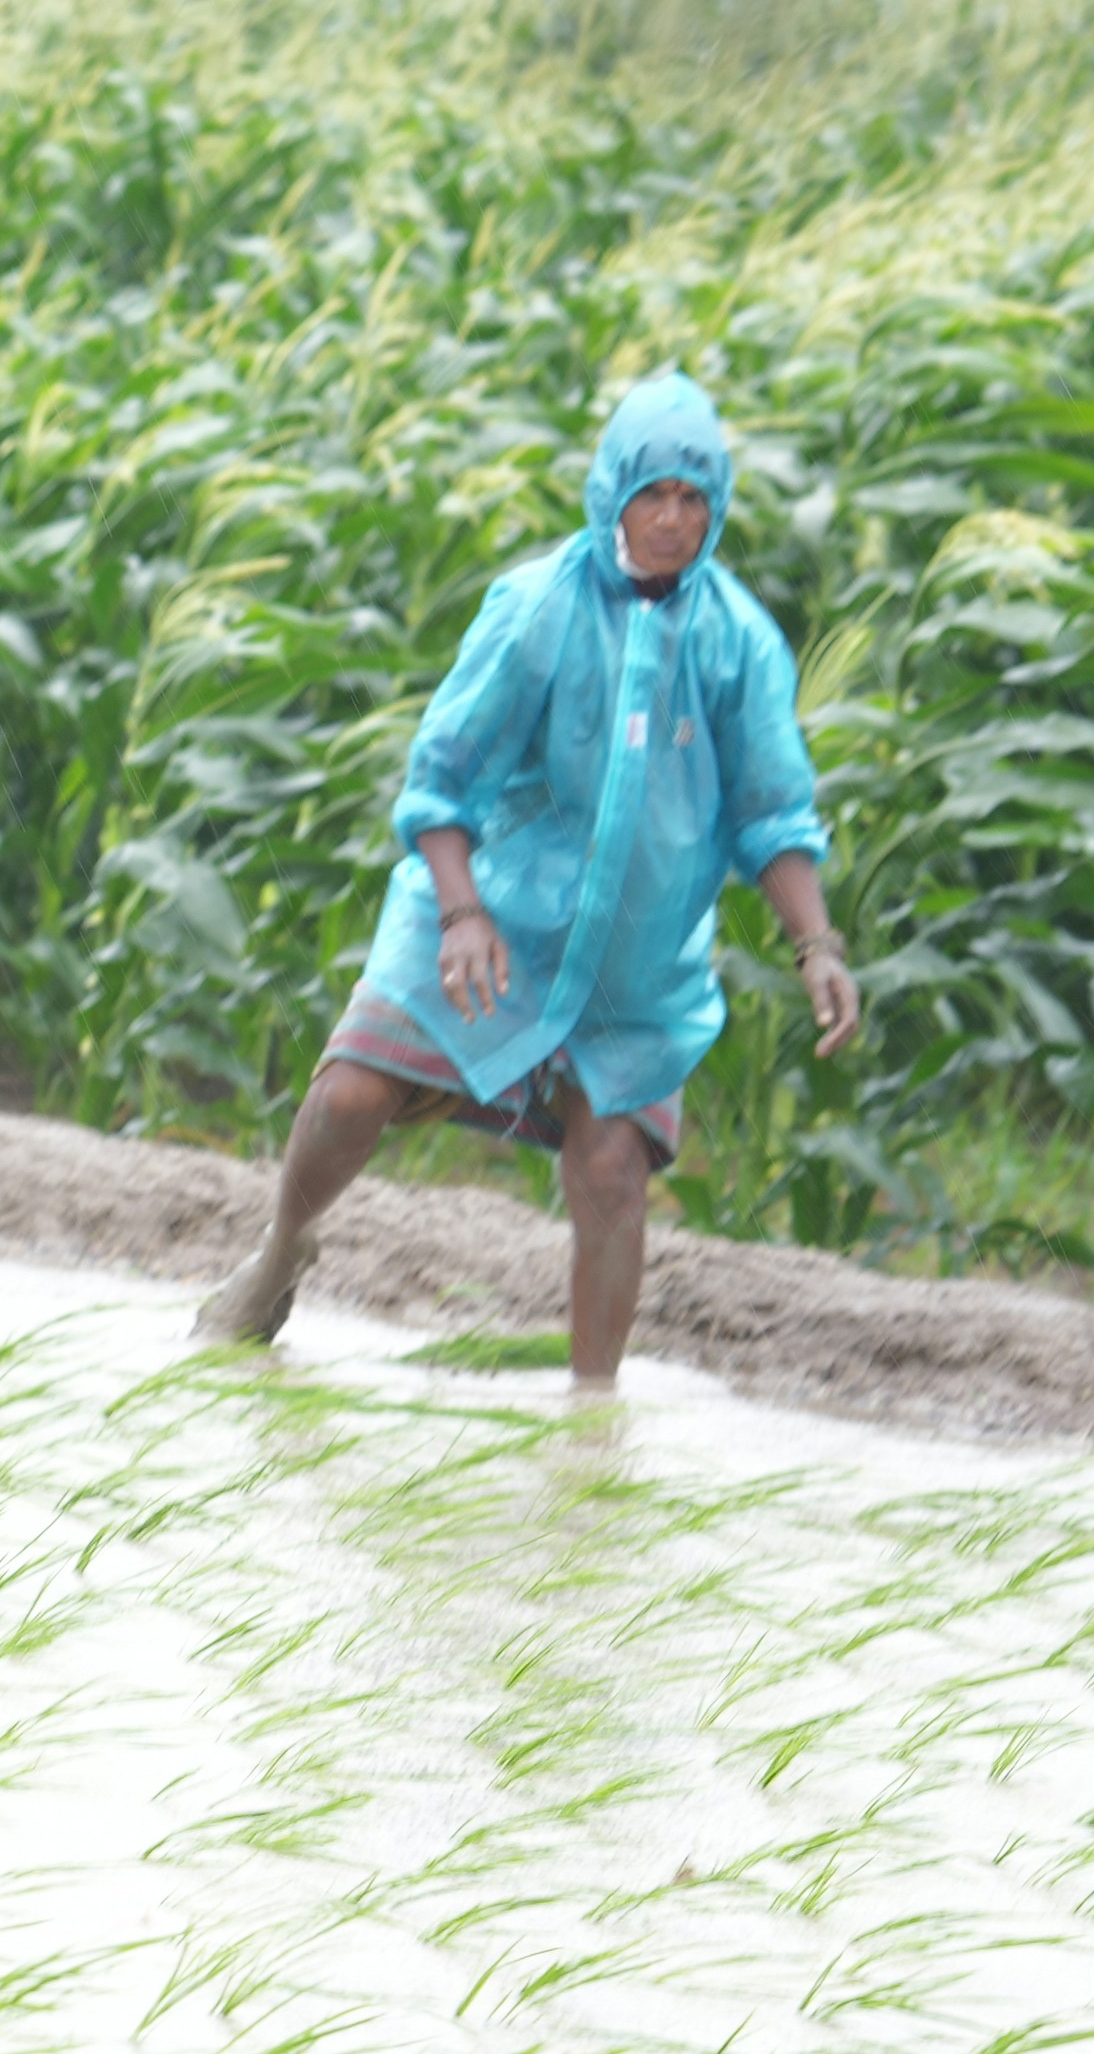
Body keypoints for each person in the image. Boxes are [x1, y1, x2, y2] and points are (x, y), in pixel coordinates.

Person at [195, 371, 858, 1394]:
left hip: (634, 962)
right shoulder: (541, 605)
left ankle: (593, 1419)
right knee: (354, 1087)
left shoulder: (737, 643)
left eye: (695, 499)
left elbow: (773, 810)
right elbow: (443, 777)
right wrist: (459, 909)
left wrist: (817, 944)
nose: (675, 520)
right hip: (488, 913)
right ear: (614, 497)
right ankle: (282, 1249)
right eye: (655, 496)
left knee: (610, 1170)